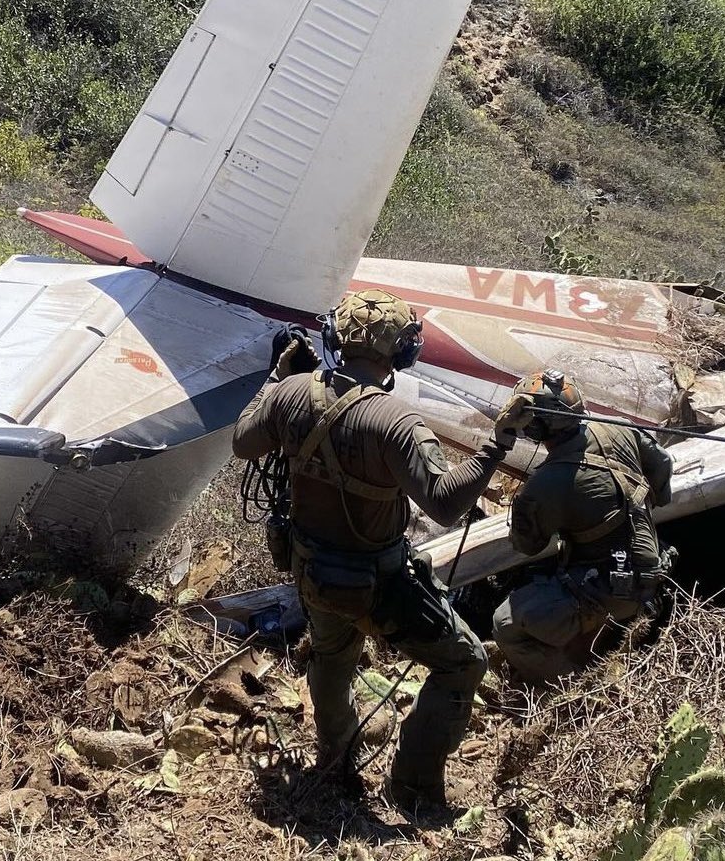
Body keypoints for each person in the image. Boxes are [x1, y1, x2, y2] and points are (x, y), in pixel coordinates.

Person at [232, 288, 530, 811]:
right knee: (463, 663)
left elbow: (242, 442)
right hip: (380, 583)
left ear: (334, 339)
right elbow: (444, 502)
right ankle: (413, 789)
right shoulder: (396, 421)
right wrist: (497, 442)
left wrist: (277, 379)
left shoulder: (290, 393)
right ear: (401, 354)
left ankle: (336, 754)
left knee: (331, 653)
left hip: (312, 570)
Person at [491, 368, 674, 683]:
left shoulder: (546, 483)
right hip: (653, 567)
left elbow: (527, 546)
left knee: (505, 624)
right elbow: (664, 464)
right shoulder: (621, 429)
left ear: (537, 427)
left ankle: (571, 686)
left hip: (613, 592)